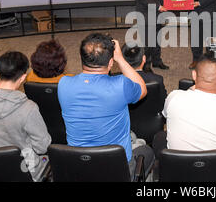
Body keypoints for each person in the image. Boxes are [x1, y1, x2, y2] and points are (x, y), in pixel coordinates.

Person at [57, 33, 155, 179]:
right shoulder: (120, 85)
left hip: (78, 165)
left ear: (81, 59)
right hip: (116, 167)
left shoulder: (63, 84)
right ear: (110, 63)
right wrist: (120, 59)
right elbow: (142, 88)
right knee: (147, 151)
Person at [0, 51, 51, 182]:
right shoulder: (28, 108)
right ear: (23, 77)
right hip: (25, 170)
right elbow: (42, 147)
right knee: (53, 159)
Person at [158, 52, 216, 155]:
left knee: (160, 138)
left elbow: (165, 115)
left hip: (177, 169)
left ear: (194, 75)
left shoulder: (173, 98)